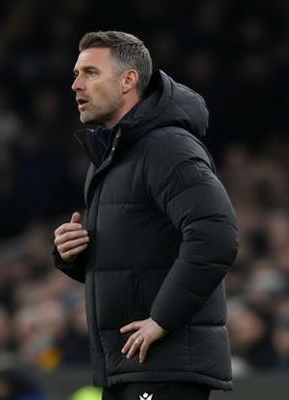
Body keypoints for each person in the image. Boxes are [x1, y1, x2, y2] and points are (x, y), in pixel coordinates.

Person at [53, 31, 238, 400]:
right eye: (76, 74)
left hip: (164, 367)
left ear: (128, 80)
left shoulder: (168, 147)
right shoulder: (111, 156)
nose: (76, 85)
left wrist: (163, 319)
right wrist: (72, 254)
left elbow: (216, 235)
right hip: (128, 366)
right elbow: (130, 264)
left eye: (90, 73)